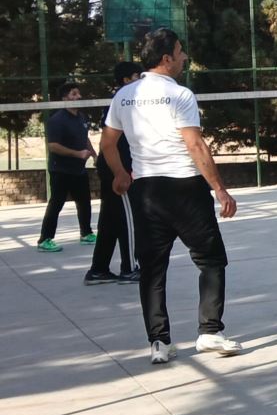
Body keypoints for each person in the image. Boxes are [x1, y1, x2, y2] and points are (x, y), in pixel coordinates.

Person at [101, 28, 241, 364]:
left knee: (152, 268)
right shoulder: (180, 94)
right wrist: (219, 188)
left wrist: (120, 173)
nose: (184, 57)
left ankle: (159, 343)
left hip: (146, 190)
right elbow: (195, 144)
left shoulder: (123, 96)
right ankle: (209, 332)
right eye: (180, 51)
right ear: (166, 58)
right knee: (211, 260)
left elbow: (107, 143)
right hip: (185, 187)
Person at [84, 62, 143, 284]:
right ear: (126, 80)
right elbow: (109, 142)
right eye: (137, 76)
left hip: (113, 166)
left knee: (110, 220)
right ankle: (130, 268)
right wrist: (122, 171)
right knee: (129, 218)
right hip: (118, 168)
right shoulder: (122, 100)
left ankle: (98, 270)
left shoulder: (124, 99)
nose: (141, 81)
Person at [39, 82, 96, 253]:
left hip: (79, 170)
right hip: (61, 170)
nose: (79, 97)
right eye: (74, 94)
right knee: (56, 203)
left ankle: (86, 234)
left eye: (78, 93)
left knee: (84, 202)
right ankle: (45, 239)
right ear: (64, 98)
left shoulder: (81, 117)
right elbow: (53, 146)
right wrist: (77, 154)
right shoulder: (57, 120)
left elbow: (85, 138)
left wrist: (94, 155)